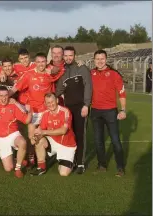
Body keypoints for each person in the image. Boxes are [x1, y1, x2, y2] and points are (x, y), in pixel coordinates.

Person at [9, 52, 64, 166]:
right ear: (35, 63)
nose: (41, 64)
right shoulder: (29, 75)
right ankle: (32, 155)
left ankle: (45, 156)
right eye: (38, 62)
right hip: (33, 110)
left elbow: (62, 69)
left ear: (46, 63)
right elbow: (15, 88)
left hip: (46, 110)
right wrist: (3, 97)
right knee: (31, 136)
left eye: (43, 62)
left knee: (46, 134)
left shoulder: (49, 74)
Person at [55, 46, 92, 174]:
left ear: (75, 56)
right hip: (68, 109)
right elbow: (57, 91)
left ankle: (80, 163)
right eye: (66, 56)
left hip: (81, 107)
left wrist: (86, 105)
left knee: (81, 135)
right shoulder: (63, 72)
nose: (68, 58)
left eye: (71, 55)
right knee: (71, 135)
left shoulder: (82, 68)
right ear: (63, 57)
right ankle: (72, 160)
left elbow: (88, 86)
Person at [90, 50, 127, 177]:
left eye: (102, 58)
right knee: (98, 140)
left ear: (106, 59)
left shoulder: (114, 74)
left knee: (115, 140)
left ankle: (120, 167)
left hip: (110, 111)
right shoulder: (91, 73)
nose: (100, 61)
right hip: (95, 111)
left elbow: (122, 93)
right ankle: (102, 165)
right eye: (97, 59)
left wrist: (123, 110)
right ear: (94, 60)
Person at [0, 86, 32, 178]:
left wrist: (31, 111)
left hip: (13, 134)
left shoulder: (13, 105)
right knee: (8, 168)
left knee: (22, 142)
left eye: (5, 95)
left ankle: (18, 168)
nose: (4, 98)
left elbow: (26, 120)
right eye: (1, 96)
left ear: (8, 95)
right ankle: (17, 159)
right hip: (1, 138)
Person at [30, 93, 77, 177]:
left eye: (52, 101)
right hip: (53, 141)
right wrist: (35, 137)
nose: (51, 104)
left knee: (63, 173)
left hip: (67, 145)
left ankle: (71, 161)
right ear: (45, 104)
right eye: (48, 103)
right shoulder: (45, 114)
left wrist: (44, 132)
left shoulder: (65, 111)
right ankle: (41, 168)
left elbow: (63, 130)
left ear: (57, 100)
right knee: (39, 141)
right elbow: (40, 131)